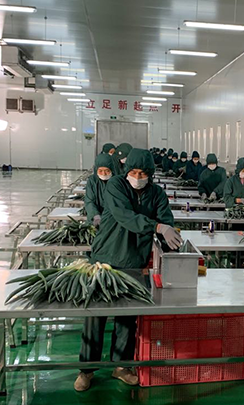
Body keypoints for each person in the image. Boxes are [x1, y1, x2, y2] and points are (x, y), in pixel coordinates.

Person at [75, 149, 183, 392]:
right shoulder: (116, 186)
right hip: (106, 256)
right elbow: (124, 215)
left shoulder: (156, 194)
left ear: (150, 174)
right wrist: (157, 226)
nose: (137, 177)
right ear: (126, 171)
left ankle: (121, 366)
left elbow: (166, 218)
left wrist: (169, 234)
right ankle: (86, 369)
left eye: (143, 173)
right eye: (133, 172)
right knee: (96, 313)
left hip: (134, 260)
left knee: (127, 315)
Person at [84, 153, 115, 227]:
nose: (103, 174)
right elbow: (89, 201)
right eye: (100, 171)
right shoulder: (92, 181)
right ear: (96, 169)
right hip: (95, 220)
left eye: (107, 170)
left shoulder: (116, 181)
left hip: (113, 220)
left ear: (111, 169)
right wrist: (95, 215)